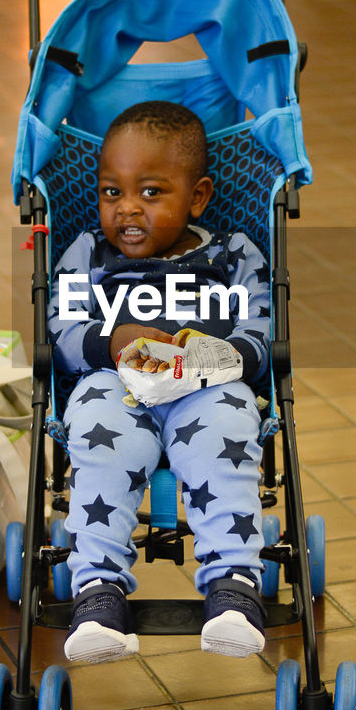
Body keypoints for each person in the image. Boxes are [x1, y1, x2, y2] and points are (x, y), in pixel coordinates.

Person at [47, 100, 271, 663]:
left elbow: (261, 335)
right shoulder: (88, 255)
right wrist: (112, 339)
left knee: (229, 430)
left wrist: (212, 356)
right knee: (96, 427)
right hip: (112, 385)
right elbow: (62, 329)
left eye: (150, 193)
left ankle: (233, 590)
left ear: (197, 196)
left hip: (207, 387)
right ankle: (98, 594)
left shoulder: (233, 255)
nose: (126, 210)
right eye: (110, 192)